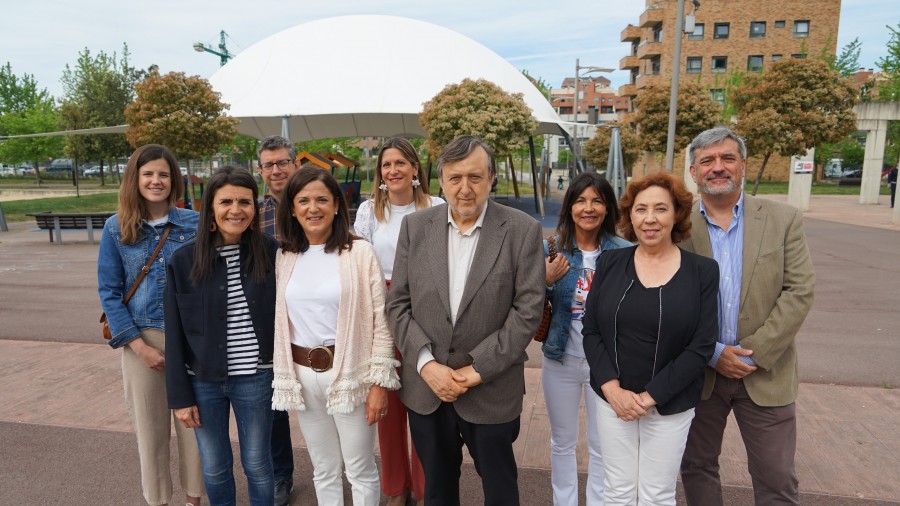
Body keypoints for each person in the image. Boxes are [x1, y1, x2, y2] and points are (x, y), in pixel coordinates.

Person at [386, 135, 545, 505]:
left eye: (475, 177)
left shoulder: (522, 231)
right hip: (428, 391)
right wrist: (427, 366)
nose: (465, 188)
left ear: (492, 179)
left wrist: (477, 370)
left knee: (500, 489)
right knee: (438, 491)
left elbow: (527, 311)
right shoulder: (415, 227)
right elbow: (398, 304)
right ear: (441, 180)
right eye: (455, 178)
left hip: (491, 389)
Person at [679, 127, 815, 506]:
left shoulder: (783, 219)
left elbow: (799, 291)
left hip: (765, 372)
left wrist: (751, 353)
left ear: (743, 165)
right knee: (697, 468)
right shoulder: (677, 225)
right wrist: (713, 352)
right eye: (707, 160)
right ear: (694, 171)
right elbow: (669, 299)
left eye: (727, 158)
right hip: (700, 373)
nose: (717, 167)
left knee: (776, 478)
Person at [582, 172, 719, 505]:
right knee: (617, 492)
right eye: (641, 209)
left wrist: (649, 397)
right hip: (613, 400)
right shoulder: (610, 262)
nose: (650, 218)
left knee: (657, 495)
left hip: (670, 403)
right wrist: (612, 389)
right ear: (630, 216)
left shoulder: (702, 271)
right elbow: (592, 330)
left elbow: (700, 347)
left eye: (661, 209)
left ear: (676, 215)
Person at [272, 167, 399, 506]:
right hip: (302, 374)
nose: (313, 208)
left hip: (351, 375)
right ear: (292, 208)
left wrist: (378, 384)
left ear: (337, 206)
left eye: (321, 200)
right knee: (323, 468)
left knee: (359, 469)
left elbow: (381, 321)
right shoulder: (285, 255)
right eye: (303, 201)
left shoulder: (359, 253)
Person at [97, 144, 204, 506]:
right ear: (135, 179)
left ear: (174, 180)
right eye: (148, 174)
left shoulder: (194, 223)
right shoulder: (116, 228)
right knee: (151, 432)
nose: (156, 181)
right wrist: (139, 347)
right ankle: (157, 500)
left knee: (195, 428)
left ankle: (194, 500)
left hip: (190, 340)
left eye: (163, 174)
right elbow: (109, 292)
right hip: (141, 339)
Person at [165, 167, 278, 506]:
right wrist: (180, 398)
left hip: (256, 378)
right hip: (203, 382)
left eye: (245, 201)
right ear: (210, 207)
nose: (236, 209)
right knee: (214, 467)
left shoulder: (272, 252)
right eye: (226, 201)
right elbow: (174, 334)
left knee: (258, 463)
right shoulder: (184, 261)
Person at [353, 137, 443, 505]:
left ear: (415, 168)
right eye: (386, 165)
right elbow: (360, 263)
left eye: (400, 163)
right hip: (382, 305)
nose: (393, 171)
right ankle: (395, 488)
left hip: (426, 306)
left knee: (423, 402)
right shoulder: (369, 211)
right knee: (386, 402)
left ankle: (424, 488)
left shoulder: (436, 207)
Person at [541, 172, 631, 505]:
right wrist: (545, 279)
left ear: (608, 208)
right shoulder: (553, 251)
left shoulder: (625, 253)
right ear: (570, 207)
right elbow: (528, 304)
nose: (588, 208)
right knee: (562, 442)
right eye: (580, 200)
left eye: (597, 200)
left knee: (602, 442)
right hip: (560, 358)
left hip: (607, 364)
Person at [255, 135, 300, 506]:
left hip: (317, 321)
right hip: (271, 322)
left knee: (329, 401)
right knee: (274, 406)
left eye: (282, 162)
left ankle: (338, 471)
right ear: (260, 171)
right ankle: (281, 476)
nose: (276, 170)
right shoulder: (253, 214)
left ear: (295, 164)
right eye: (269, 164)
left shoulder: (316, 202)